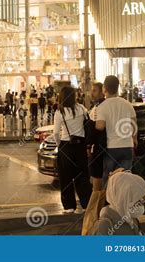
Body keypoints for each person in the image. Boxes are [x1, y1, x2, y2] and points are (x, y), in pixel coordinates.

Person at [53, 86, 92, 214]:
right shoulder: (82, 109)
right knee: (82, 176)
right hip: (80, 146)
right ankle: (86, 204)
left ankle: (69, 206)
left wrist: (60, 145)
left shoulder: (60, 112)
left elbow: (55, 134)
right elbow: (88, 126)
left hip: (66, 146)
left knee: (66, 177)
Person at [96, 76, 137, 183]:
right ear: (117, 87)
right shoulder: (127, 104)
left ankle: (110, 199)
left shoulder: (102, 106)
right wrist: (134, 139)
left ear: (104, 89)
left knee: (109, 179)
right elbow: (134, 125)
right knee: (126, 179)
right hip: (127, 146)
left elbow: (100, 126)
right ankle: (124, 199)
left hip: (111, 147)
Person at [93, 170, 145, 235]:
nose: (141, 206)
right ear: (121, 197)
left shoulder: (132, 218)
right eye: (136, 201)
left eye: (141, 202)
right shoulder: (105, 223)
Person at [87, 82, 106, 192]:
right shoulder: (96, 106)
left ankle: (97, 201)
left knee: (96, 175)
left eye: (95, 91)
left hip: (99, 147)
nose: (91, 93)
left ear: (102, 92)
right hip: (99, 146)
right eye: (91, 90)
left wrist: (89, 146)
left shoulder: (100, 107)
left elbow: (95, 129)